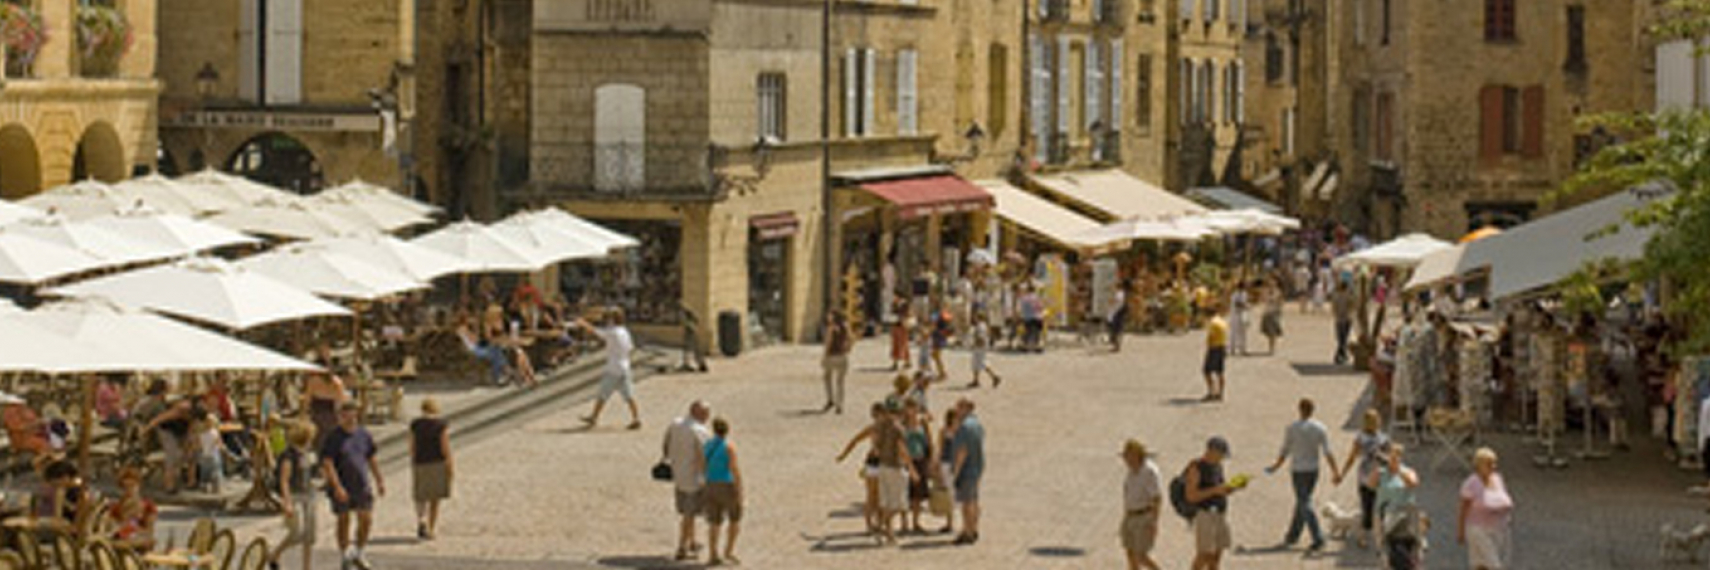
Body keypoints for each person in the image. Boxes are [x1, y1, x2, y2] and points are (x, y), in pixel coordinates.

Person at [1264, 398, 1338, 553]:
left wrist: (1276, 465)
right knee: (1303, 501)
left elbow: (1285, 449)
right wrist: (1335, 470)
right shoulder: (1320, 428)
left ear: (1300, 409)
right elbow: (1327, 451)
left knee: (1304, 502)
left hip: (1298, 469)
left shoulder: (1292, 428)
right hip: (1313, 469)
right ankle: (1293, 535)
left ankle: (1318, 538)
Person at [836, 403, 915, 544]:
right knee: (875, 497)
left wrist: (843, 455)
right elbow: (857, 441)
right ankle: (875, 525)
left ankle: (879, 526)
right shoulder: (885, 428)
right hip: (880, 464)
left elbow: (859, 442)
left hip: (879, 464)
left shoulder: (880, 428)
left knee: (880, 499)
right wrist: (843, 455)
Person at [321, 402, 384, 570]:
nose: (349, 419)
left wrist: (379, 480)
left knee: (366, 518)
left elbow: (371, 457)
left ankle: (359, 551)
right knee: (343, 519)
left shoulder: (364, 434)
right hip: (343, 483)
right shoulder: (333, 437)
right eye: (345, 415)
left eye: (352, 415)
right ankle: (344, 554)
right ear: (340, 416)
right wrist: (336, 486)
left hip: (361, 483)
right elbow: (328, 463)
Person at [577, 308, 643, 430]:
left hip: (613, 367)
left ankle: (594, 417)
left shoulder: (612, 332)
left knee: (603, 393)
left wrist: (583, 323)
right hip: (625, 366)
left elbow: (595, 332)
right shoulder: (624, 331)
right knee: (629, 395)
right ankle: (636, 418)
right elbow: (630, 348)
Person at [1334, 410, 1390, 549]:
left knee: (1367, 507)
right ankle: (1380, 536)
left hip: (1364, 476)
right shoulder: (1383, 438)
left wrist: (1342, 474)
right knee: (1381, 507)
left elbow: (1352, 458)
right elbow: (1390, 459)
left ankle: (1364, 537)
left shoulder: (1360, 438)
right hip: (1379, 476)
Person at [664, 401, 712, 561]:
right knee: (689, 514)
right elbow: (703, 455)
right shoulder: (699, 430)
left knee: (686, 512)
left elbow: (665, 444)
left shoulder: (675, 424)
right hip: (693, 477)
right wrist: (706, 476)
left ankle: (692, 541)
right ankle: (682, 546)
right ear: (701, 414)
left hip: (678, 474)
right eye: (706, 413)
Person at [1185, 437, 1242, 570]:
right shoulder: (1196, 467)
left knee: (1217, 553)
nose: (1222, 458)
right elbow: (1191, 496)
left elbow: (1220, 486)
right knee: (1204, 554)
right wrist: (1214, 491)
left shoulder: (1217, 466)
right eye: (1221, 455)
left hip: (1220, 514)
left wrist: (1230, 488)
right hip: (1205, 515)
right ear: (1211, 451)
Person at [1458, 448, 1514, 570]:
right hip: (1478, 529)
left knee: (1481, 565)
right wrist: (1461, 531)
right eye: (1489, 464)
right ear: (1478, 465)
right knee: (1494, 565)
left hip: (1498, 529)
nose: (1493, 467)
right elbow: (1463, 509)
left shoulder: (1497, 479)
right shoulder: (1470, 484)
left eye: (1494, 463)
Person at [271, 422, 316, 570]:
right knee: (296, 534)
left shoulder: (307, 452)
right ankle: (275, 553)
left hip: (309, 495)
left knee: (309, 535)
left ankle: (307, 567)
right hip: (295, 496)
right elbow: (284, 480)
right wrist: (287, 502)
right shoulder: (288, 455)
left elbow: (309, 473)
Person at [1370, 443, 1421, 570]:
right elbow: (1371, 485)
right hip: (1384, 516)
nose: (1392, 460)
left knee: (1405, 550)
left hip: (1404, 517)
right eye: (1391, 456)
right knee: (1384, 551)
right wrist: (1376, 469)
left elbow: (1413, 483)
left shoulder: (1408, 471)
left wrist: (1398, 469)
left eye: (1396, 457)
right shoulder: (1382, 472)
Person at [410, 398, 453, 540]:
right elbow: (445, 447)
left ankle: (421, 518)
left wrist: (414, 460)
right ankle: (431, 528)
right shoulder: (441, 425)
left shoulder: (415, 425)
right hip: (437, 462)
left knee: (421, 495)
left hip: (420, 462)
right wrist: (450, 464)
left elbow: (412, 446)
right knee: (435, 498)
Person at [702, 417, 743, 565]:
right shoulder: (728, 447)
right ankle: (729, 550)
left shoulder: (707, 445)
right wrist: (739, 487)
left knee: (714, 522)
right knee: (734, 519)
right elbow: (734, 468)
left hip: (711, 484)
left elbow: (702, 465)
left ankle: (713, 553)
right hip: (726, 484)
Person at [1120, 439, 1162, 570]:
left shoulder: (1149, 472)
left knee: (1141, 555)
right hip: (1130, 515)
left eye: (1128, 456)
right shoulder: (1132, 470)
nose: (1126, 461)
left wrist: (1154, 522)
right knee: (1130, 553)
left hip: (1143, 516)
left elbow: (1157, 497)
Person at [950, 399, 985, 545]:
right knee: (974, 500)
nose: (956, 410)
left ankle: (967, 532)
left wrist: (955, 472)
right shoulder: (977, 424)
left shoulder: (964, 427)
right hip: (978, 465)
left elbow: (962, 451)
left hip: (967, 467)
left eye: (959, 407)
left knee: (966, 503)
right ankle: (974, 528)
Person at [144, 397, 195, 494]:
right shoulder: (175, 413)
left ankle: (190, 482)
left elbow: (189, 431)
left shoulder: (192, 417)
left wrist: (188, 444)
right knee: (171, 456)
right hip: (166, 431)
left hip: (180, 432)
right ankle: (169, 486)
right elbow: (156, 420)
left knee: (191, 456)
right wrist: (145, 431)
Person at [901, 400, 935, 534]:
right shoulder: (902, 425)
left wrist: (931, 460)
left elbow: (929, 442)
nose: (912, 411)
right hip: (905, 461)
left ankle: (915, 522)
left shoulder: (923, 423)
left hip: (920, 459)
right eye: (909, 408)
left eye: (914, 408)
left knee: (917, 495)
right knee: (904, 494)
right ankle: (905, 524)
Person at [106, 468, 157, 551]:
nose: (129, 490)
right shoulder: (116, 507)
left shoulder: (148, 506)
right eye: (125, 487)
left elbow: (149, 531)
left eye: (132, 486)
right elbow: (112, 528)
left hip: (140, 543)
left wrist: (135, 529)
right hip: (121, 544)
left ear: (138, 486)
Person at [303, 369, 349, 445]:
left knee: (319, 438)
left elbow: (308, 398)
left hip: (317, 412)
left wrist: (304, 413)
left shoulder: (313, 381)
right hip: (331, 412)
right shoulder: (337, 381)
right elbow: (342, 399)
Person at [935, 407, 961, 535]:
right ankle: (950, 522)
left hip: (957, 464)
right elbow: (939, 449)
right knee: (948, 494)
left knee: (957, 494)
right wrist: (937, 466)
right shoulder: (944, 431)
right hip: (946, 464)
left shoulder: (961, 432)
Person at [822, 311, 853, 414]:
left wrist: (825, 355)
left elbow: (828, 341)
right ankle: (840, 404)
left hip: (832, 355)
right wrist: (848, 348)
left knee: (827, 377)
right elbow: (851, 338)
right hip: (842, 356)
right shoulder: (846, 326)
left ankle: (830, 399)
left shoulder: (831, 328)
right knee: (840, 382)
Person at [966, 313, 1002, 388]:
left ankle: (994, 377)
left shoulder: (980, 326)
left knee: (982, 363)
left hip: (980, 347)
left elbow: (980, 337)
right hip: (981, 347)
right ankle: (976, 380)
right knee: (976, 363)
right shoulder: (983, 325)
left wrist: (975, 344)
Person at [1203, 304, 1229, 402]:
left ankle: (1211, 391)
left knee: (1207, 371)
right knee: (1220, 372)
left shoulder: (1212, 323)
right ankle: (1220, 393)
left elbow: (1211, 335)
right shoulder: (1222, 321)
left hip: (1214, 347)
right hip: (1222, 346)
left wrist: (1208, 345)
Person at [193, 412, 225, 493]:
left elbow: (219, 443)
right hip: (207, 455)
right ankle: (209, 487)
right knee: (208, 472)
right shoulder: (204, 433)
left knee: (213, 471)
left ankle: (215, 487)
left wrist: (219, 446)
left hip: (211, 455)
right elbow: (198, 444)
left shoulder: (214, 433)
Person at [679, 304, 710, 373]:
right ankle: (690, 364)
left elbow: (694, 319)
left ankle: (699, 364)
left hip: (691, 331)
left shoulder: (685, 314)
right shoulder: (687, 313)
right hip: (691, 331)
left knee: (691, 348)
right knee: (691, 349)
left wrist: (689, 325)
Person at [1332, 277, 1355, 365]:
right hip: (1346, 319)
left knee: (1341, 339)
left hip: (1339, 320)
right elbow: (1353, 305)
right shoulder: (1348, 296)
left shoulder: (1336, 296)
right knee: (1344, 339)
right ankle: (1340, 355)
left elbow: (1334, 308)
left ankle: (1341, 355)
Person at [1260, 281, 1285, 355]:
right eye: (1270, 285)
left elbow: (1281, 302)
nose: (1271, 286)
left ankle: (1272, 348)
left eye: (1273, 285)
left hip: (1274, 313)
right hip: (1267, 313)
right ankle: (1271, 347)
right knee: (1269, 333)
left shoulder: (1278, 293)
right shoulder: (1265, 293)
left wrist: (1279, 311)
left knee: (1273, 333)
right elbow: (1262, 300)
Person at [890, 298, 912, 371]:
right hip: (898, 326)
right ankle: (898, 362)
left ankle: (905, 361)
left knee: (902, 344)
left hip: (902, 326)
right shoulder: (896, 304)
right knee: (898, 344)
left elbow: (907, 314)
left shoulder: (903, 304)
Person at [1228, 284, 1250, 356]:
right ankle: (1232, 349)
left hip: (1242, 314)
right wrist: (1245, 305)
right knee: (1234, 332)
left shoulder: (1245, 294)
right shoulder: (1235, 295)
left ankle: (1242, 349)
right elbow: (1237, 303)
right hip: (1235, 314)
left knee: (1243, 332)